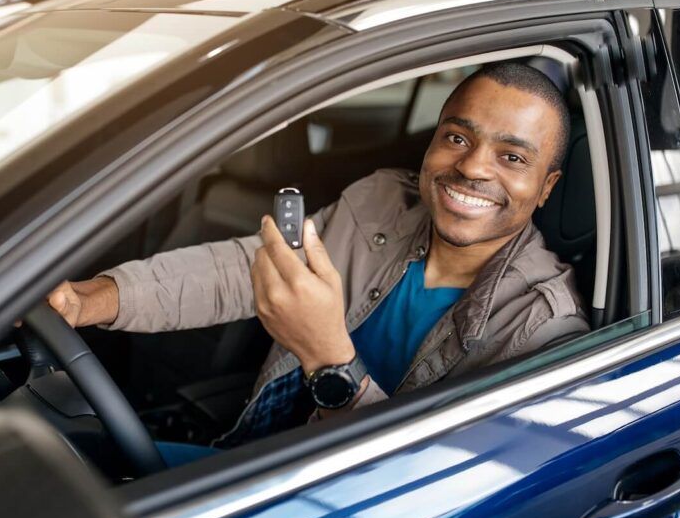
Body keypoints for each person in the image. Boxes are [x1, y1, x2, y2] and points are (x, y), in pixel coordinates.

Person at [46, 61, 590, 452]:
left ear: (546, 187)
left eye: (512, 156)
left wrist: (330, 362)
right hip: (260, 455)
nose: (472, 168)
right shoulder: (378, 200)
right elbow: (245, 271)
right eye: (456, 138)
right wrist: (90, 300)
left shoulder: (542, 328)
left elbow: (434, 485)